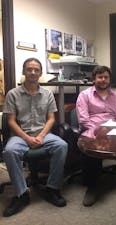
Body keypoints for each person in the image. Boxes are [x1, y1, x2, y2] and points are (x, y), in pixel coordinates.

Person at [2, 58, 68, 217]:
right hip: (20, 134)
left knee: (62, 145)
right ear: (24, 72)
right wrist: (27, 138)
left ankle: (52, 189)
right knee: (9, 151)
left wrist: (41, 136)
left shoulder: (48, 94)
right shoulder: (13, 94)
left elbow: (51, 118)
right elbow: (11, 121)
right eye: (29, 69)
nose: (32, 72)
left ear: (40, 73)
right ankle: (21, 194)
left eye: (36, 69)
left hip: (42, 133)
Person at [76, 65, 116, 207]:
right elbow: (84, 120)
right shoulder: (84, 95)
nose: (103, 80)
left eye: (106, 77)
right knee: (92, 147)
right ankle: (92, 187)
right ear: (94, 79)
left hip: (113, 129)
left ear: (109, 79)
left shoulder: (115, 96)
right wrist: (100, 131)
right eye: (100, 77)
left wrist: (113, 128)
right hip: (91, 129)